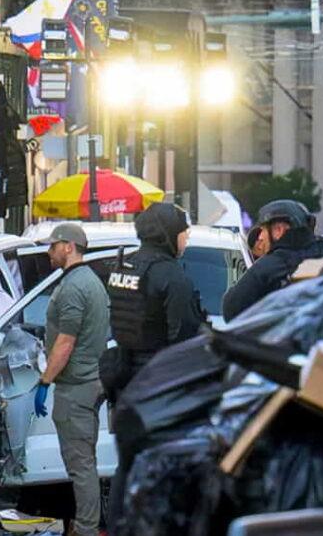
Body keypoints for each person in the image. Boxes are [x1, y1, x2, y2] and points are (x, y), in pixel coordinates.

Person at [102, 203, 205, 532]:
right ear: (167, 234)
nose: (186, 238)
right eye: (183, 232)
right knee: (162, 468)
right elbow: (185, 337)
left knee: (127, 463)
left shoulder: (124, 266)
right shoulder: (171, 275)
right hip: (160, 386)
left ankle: (119, 525)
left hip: (124, 379)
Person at [32, 224, 109, 536]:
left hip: (77, 386)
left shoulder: (74, 287)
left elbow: (65, 343)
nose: (49, 252)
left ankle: (87, 529)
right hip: (89, 381)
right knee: (85, 461)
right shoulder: (89, 280)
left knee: (81, 466)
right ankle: (85, 524)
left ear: (68, 246)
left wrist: (44, 381)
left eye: (53, 246)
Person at [221, 200, 323, 322]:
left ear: (278, 230)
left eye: (263, 230)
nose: (260, 237)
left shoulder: (269, 266)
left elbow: (231, 308)